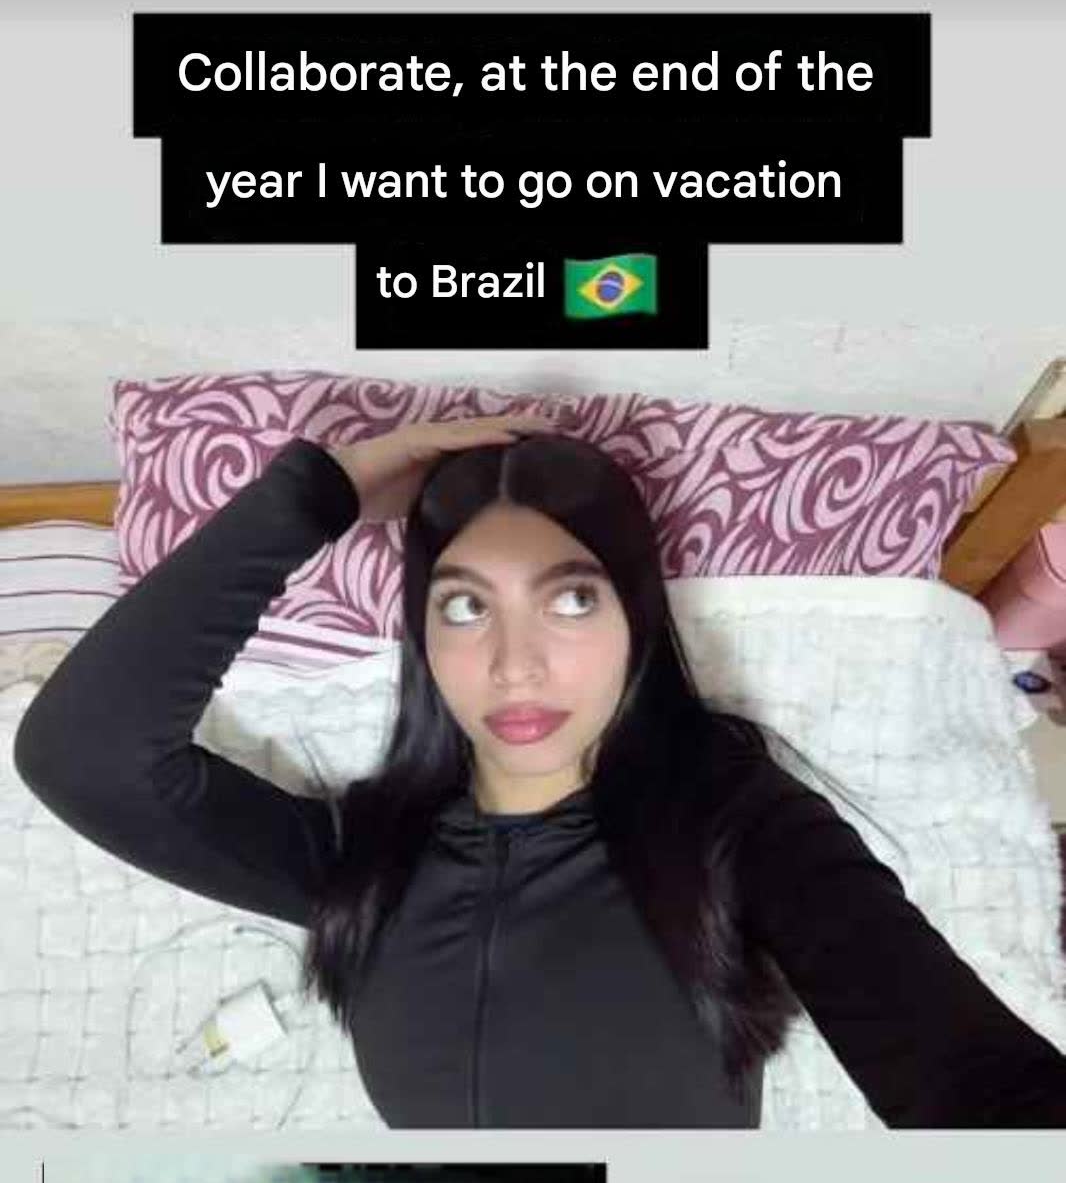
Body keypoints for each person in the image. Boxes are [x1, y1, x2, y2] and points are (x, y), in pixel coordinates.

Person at [13, 414, 1066, 1129]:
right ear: (422, 637)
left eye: (570, 599)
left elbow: (969, 1077)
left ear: (634, 617)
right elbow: (82, 753)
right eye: (464, 605)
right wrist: (317, 493)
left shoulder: (737, 829)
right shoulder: (356, 859)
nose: (515, 663)